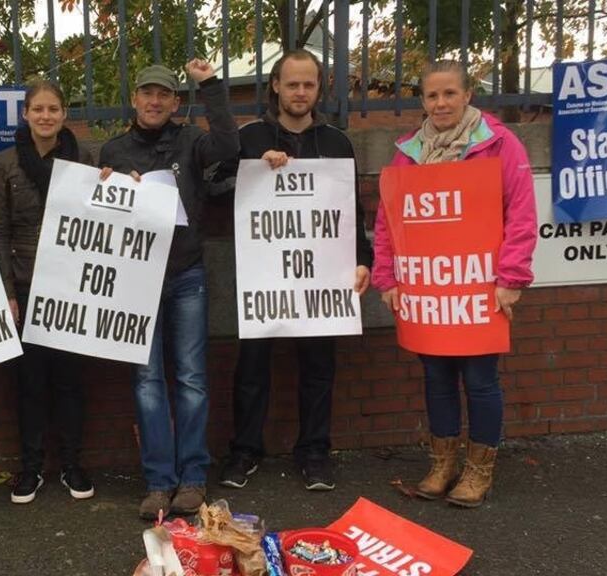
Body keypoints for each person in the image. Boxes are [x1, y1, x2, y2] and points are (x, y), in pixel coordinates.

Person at [371, 60, 537, 508]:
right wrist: (387, 277)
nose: (440, 103)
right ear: (423, 101)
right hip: (428, 290)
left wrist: (512, 277)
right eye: (432, 96)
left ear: (468, 96)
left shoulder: (500, 145)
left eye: (449, 94)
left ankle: (479, 469)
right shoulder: (408, 151)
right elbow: (388, 219)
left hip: (480, 286)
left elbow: (521, 215)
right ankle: (442, 463)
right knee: (436, 376)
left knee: (481, 379)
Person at [218, 49, 373, 492]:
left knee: (319, 367)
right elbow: (213, 188)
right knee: (251, 368)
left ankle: (315, 452)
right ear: (275, 86)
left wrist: (363, 259)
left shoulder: (337, 142)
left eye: (308, 84)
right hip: (264, 277)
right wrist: (251, 173)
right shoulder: (251, 139)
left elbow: (350, 213)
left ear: (318, 88)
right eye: (292, 84)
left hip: (320, 277)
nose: (300, 92)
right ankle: (244, 451)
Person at [99, 60, 239, 520]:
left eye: (164, 95)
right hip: (136, 280)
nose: (155, 102)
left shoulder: (192, 142)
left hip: (186, 276)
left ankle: (193, 478)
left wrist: (211, 86)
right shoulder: (113, 151)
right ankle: (159, 482)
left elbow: (230, 147)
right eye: (147, 93)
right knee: (146, 382)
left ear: (176, 102)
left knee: (193, 379)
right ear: (135, 99)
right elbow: (101, 219)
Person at [0, 80, 96, 504]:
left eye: (54, 109)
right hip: (26, 282)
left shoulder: (84, 159)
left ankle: (71, 463)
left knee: (70, 380)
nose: (46, 116)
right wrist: (7, 291)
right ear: (26, 114)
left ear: (64, 114)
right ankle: (31, 466)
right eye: (39, 109)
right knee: (29, 381)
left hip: (71, 285)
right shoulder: (5, 163)